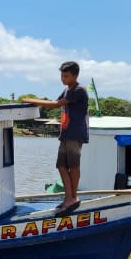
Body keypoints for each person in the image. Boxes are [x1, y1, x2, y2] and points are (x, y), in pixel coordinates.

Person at [21, 61, 90, 215]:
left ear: (75, 75)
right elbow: (56, 102)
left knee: (73, 165)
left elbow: (55, 104)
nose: (63, 78)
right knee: (61, 165)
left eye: (66, 76)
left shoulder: (79, 90)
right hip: (66, 133)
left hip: (75, 133)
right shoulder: (67, 90)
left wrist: (30, 100)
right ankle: (69, 197)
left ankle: (72, 197)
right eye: (61, 75)